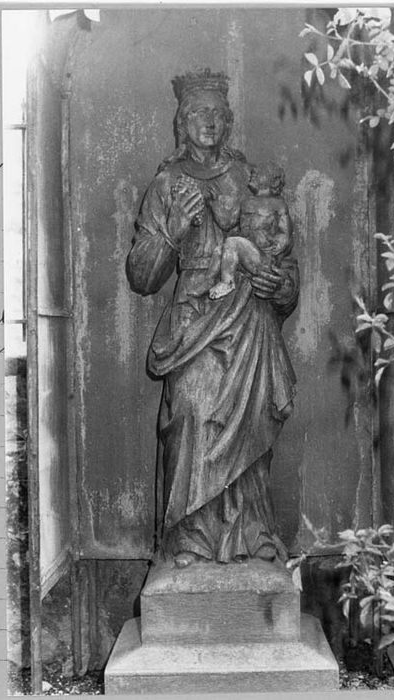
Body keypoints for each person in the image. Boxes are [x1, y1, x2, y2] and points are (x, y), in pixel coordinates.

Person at [126, 68, 299, 568]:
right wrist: (174, 230)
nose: (209, 121)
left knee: (251, 422)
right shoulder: (167, 183)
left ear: (228, 121)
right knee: (190, 411)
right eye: (199, 112)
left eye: (217, 113)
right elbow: (142, 275)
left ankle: (251, 534)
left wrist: (281, 286)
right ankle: (188, 539)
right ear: (183, 121)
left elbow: (283, 257)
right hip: (195, 318)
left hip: (248, 315)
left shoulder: (249, 179)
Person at [209, 161, 293, 300]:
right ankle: (208, 281)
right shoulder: (246, 202)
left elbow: (285, 231)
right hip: (247, 254)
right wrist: (214, 204)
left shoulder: (278, 204)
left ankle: (227, 283)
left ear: (271, 180)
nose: (251, 176)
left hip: (263, 258)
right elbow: (227, 223)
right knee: (219, 250)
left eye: (257, 174)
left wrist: (280, 242)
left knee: (232, 243)